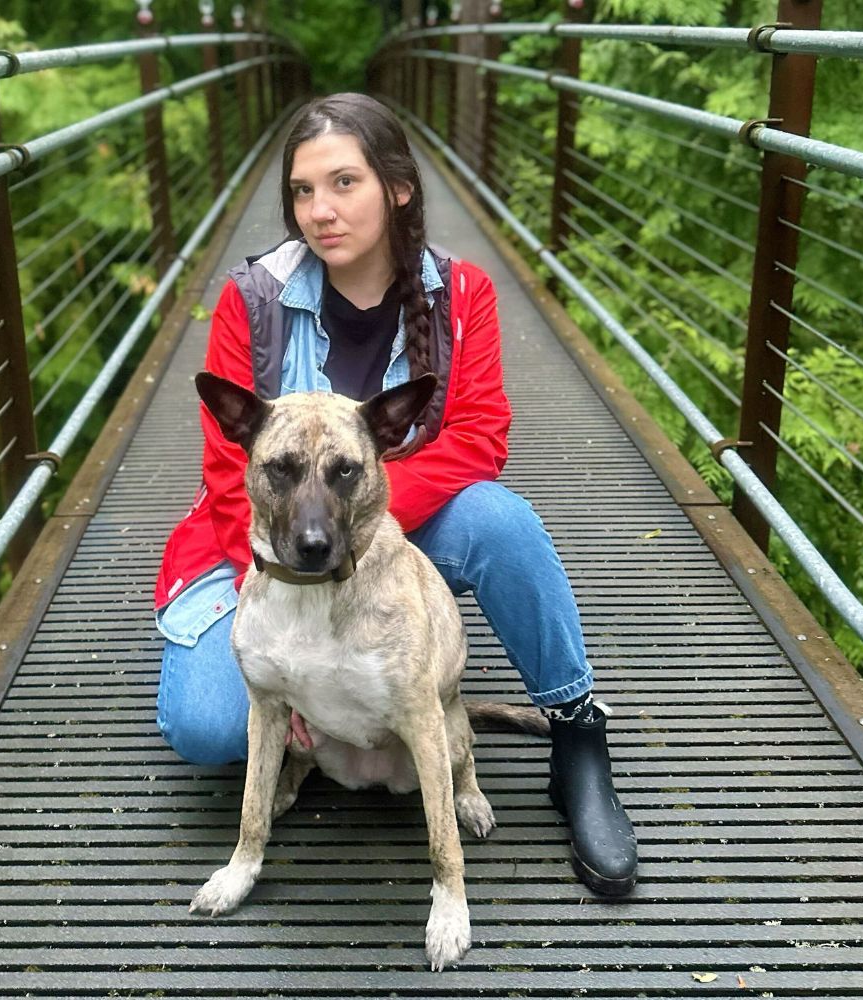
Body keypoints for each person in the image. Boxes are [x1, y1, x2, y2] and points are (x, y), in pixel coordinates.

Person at [153, 93, 637, 896]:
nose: (320, 211)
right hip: (266, 548)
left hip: (385, 534)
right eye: (303, 191)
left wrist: (363, 528)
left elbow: (478, 437)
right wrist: (289, 584)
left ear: (399, 187)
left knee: (500, 520)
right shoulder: (251, 299)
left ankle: (577, 733)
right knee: (204, 728)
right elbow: (225, 475)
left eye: (344, 183)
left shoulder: (464, 292)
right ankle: (311, 685)